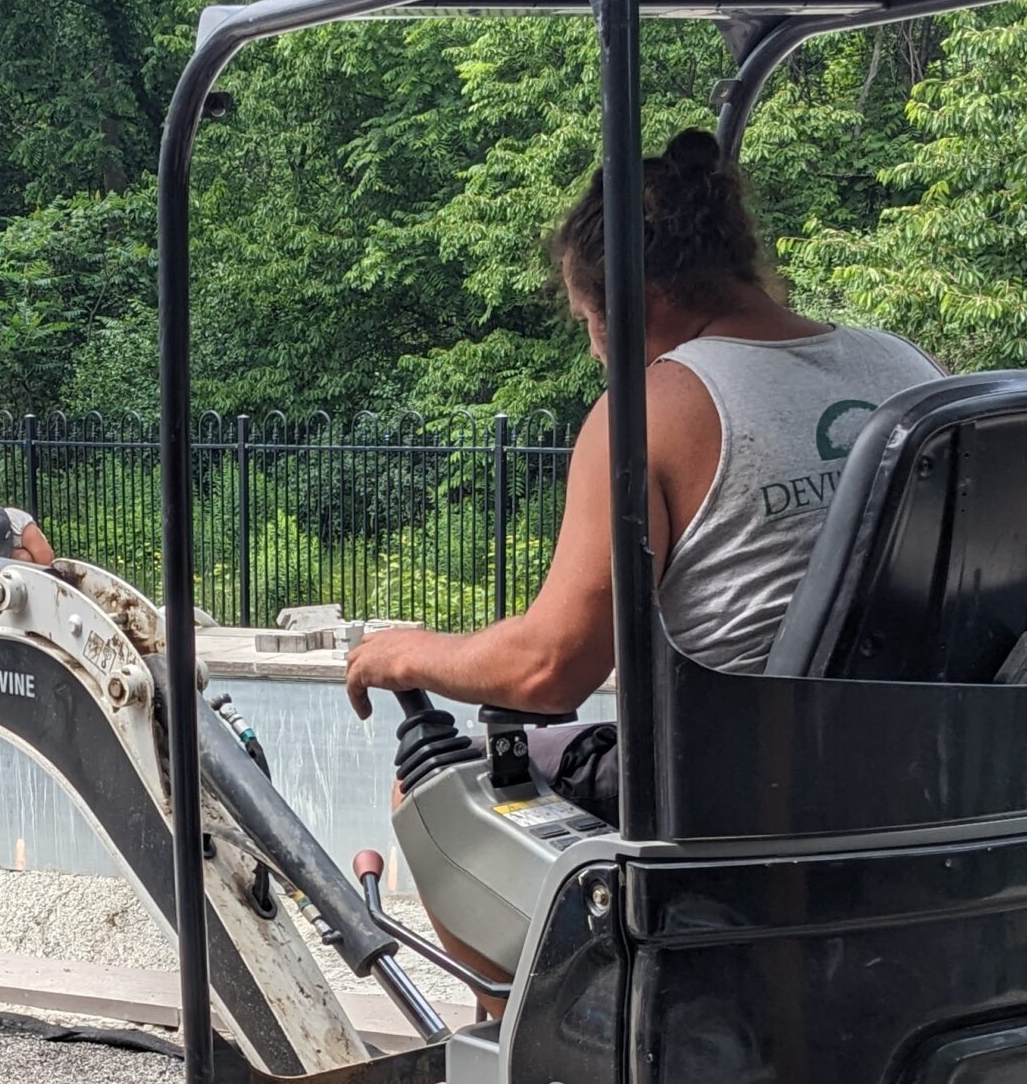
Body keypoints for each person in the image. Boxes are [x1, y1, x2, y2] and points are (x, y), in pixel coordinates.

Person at [346, 127, 940, 822]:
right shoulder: (906, 367)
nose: (598, 352)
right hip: (919, 768)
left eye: (588, 322)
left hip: (748, 791)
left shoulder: (650, 410)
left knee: (435, 793)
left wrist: (408, 654)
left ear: (641, 298)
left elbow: (550, 669)